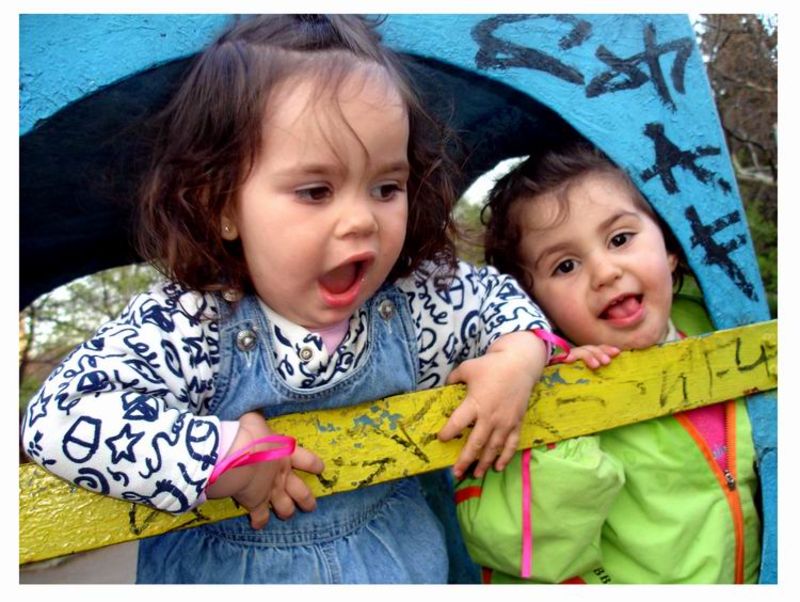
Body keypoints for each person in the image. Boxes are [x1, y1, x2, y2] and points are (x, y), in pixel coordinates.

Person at [20, 15, 552, 584]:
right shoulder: (192, 323)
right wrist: (217, 455)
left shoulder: (412, 303)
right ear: (222, 206)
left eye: (386, 187)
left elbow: (499, 301)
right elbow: (60, 417)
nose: (362, 220)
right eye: (315, 191)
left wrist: (517, 358)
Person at [455, 141, 761, 583]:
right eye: (565, 266)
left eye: (620, 239)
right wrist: (565, 410)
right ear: (534, 305)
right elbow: (522, 545)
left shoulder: (717, 324)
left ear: (669, 246)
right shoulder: (533, 390)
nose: (605, 272)